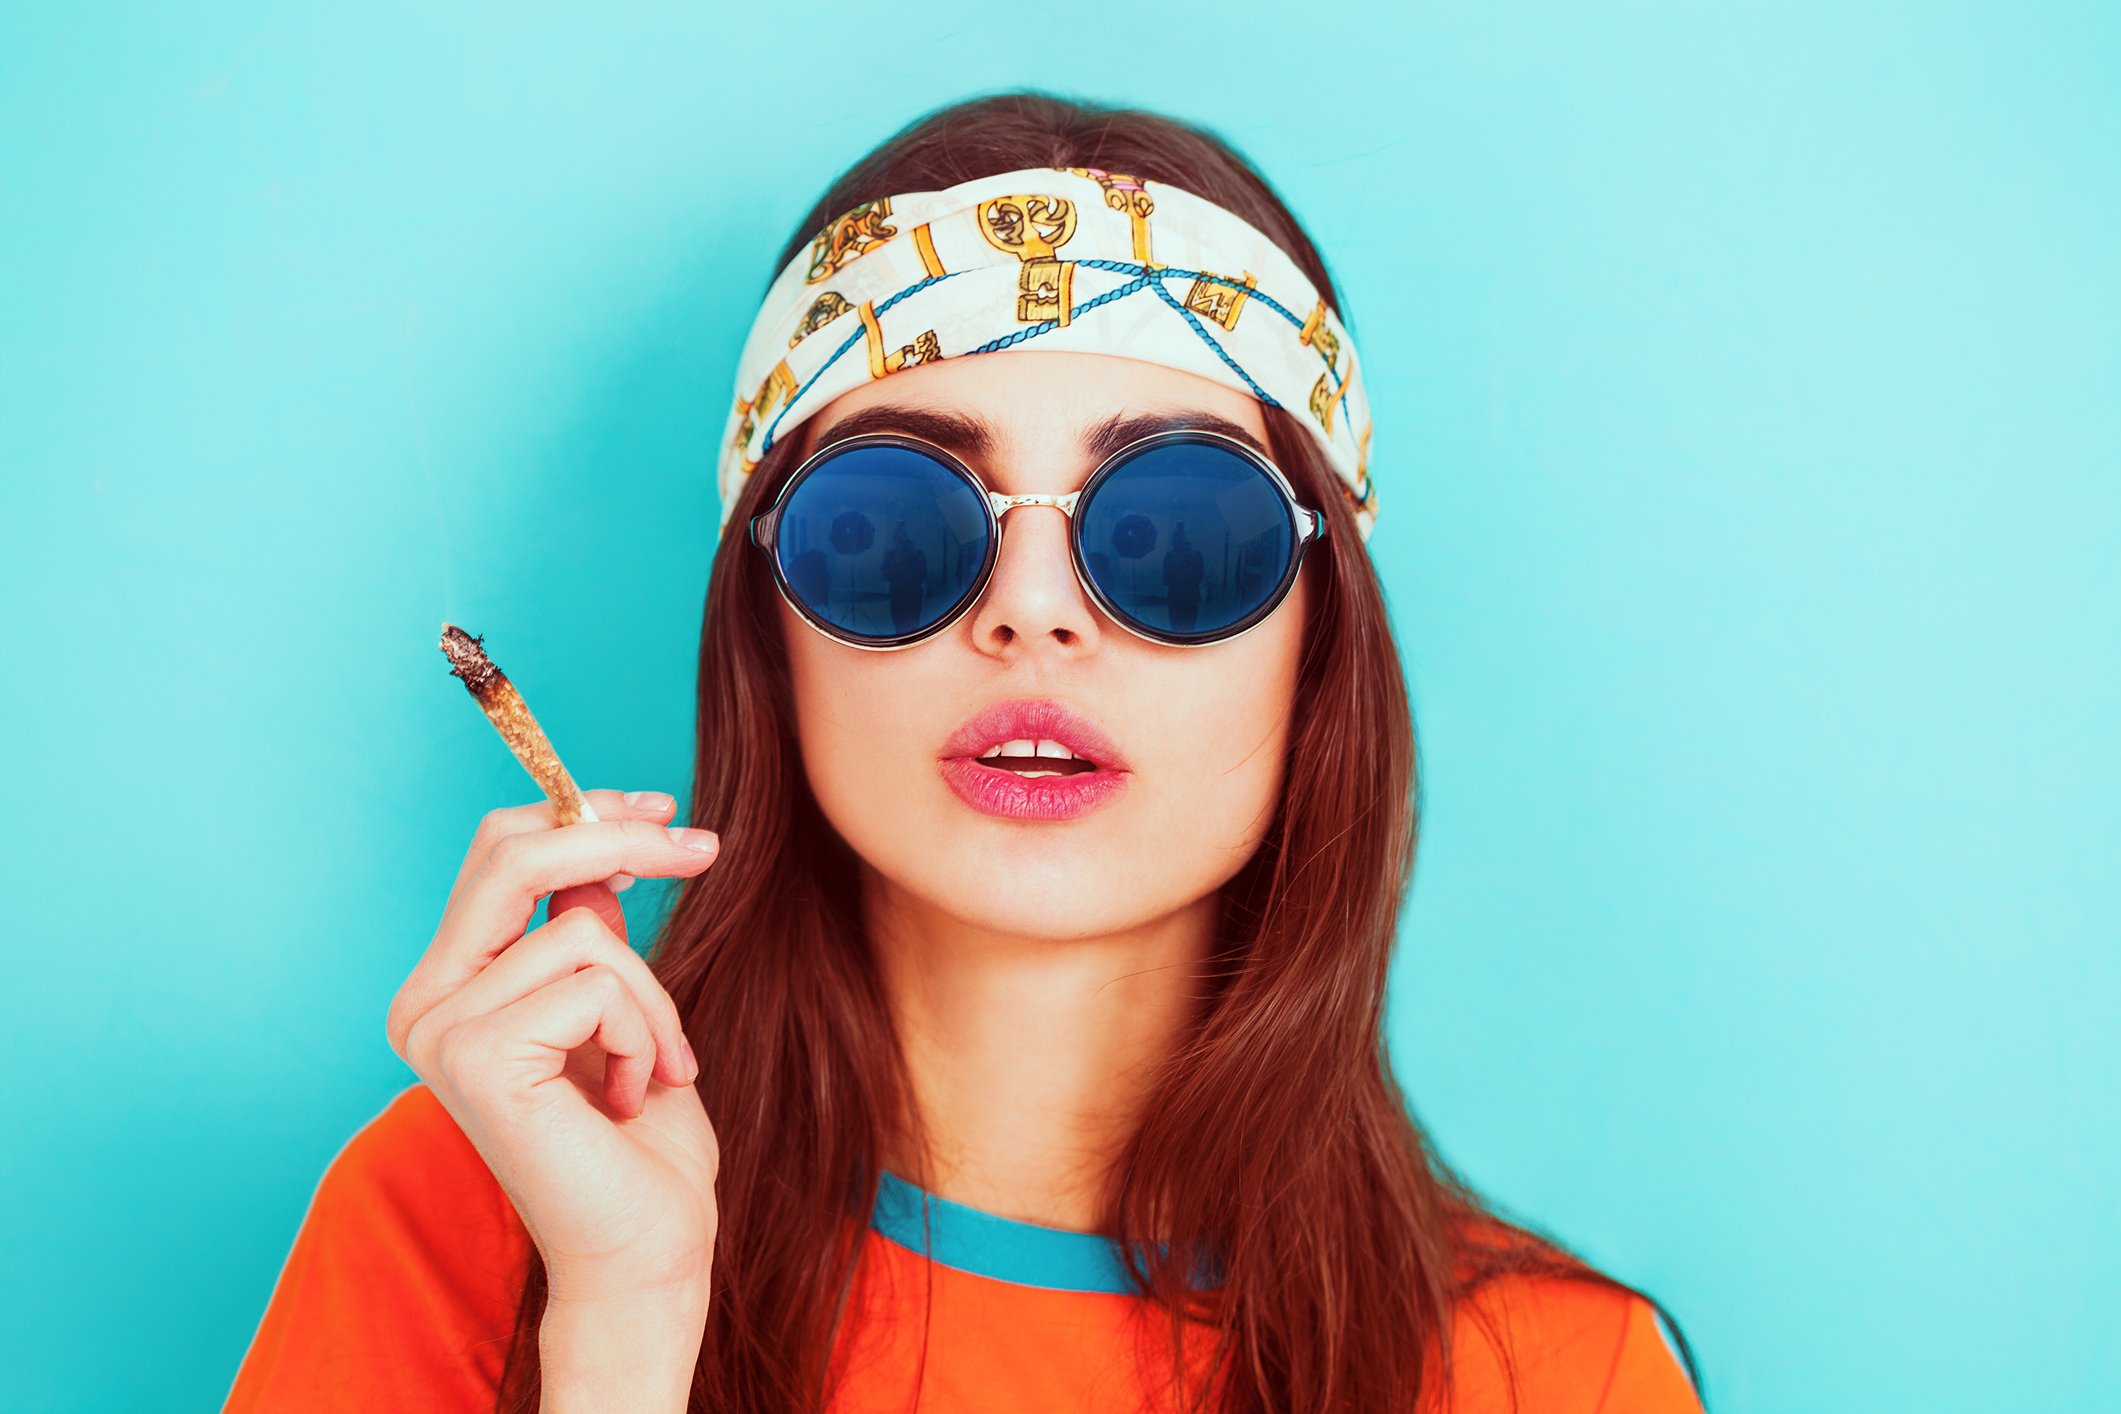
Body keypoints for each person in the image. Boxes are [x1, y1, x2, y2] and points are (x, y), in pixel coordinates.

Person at [224, 92, 1706, 1413]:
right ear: (768, 627)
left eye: (1180, 532)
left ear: (1323, 644)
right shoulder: (483, 1222)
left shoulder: (1555, 1378)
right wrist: (619, 1325)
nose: (1033, 614)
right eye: (891, 525)